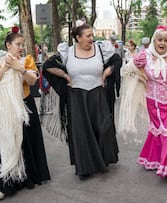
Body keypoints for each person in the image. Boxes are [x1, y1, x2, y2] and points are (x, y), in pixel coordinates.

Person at [42, 20, 119, 180]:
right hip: (76, 96)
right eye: (88, 35)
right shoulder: (67, 52)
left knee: (103, 128)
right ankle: (85, 166)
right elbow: (47, 66)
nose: (92, 38)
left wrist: (105, 74)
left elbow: (117, 60)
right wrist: (64, 75)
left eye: (92, 35)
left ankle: (103, 159)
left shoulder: (100, 49)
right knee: (81, 132)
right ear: (78, 37)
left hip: (97, 93)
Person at [0, 26, 50, 200]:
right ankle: (5, 184)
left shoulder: (27, 61)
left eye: (22, 44)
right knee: (5, 144)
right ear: (8, 45)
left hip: (24, 106)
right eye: (17, 44)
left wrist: (19, 68)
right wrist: (6, 68)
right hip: (3, 109)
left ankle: (26, 177)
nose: (21, 47)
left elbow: (32, 80)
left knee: (25, 142)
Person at [119, 25, 167, 181]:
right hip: (154, 102)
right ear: (154, 40)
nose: (162, 43)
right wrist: (140, 73)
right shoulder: (145, 56)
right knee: (159, 131)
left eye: (166, 40)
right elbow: (125, 71)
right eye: (159, 40)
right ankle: (158, 159)